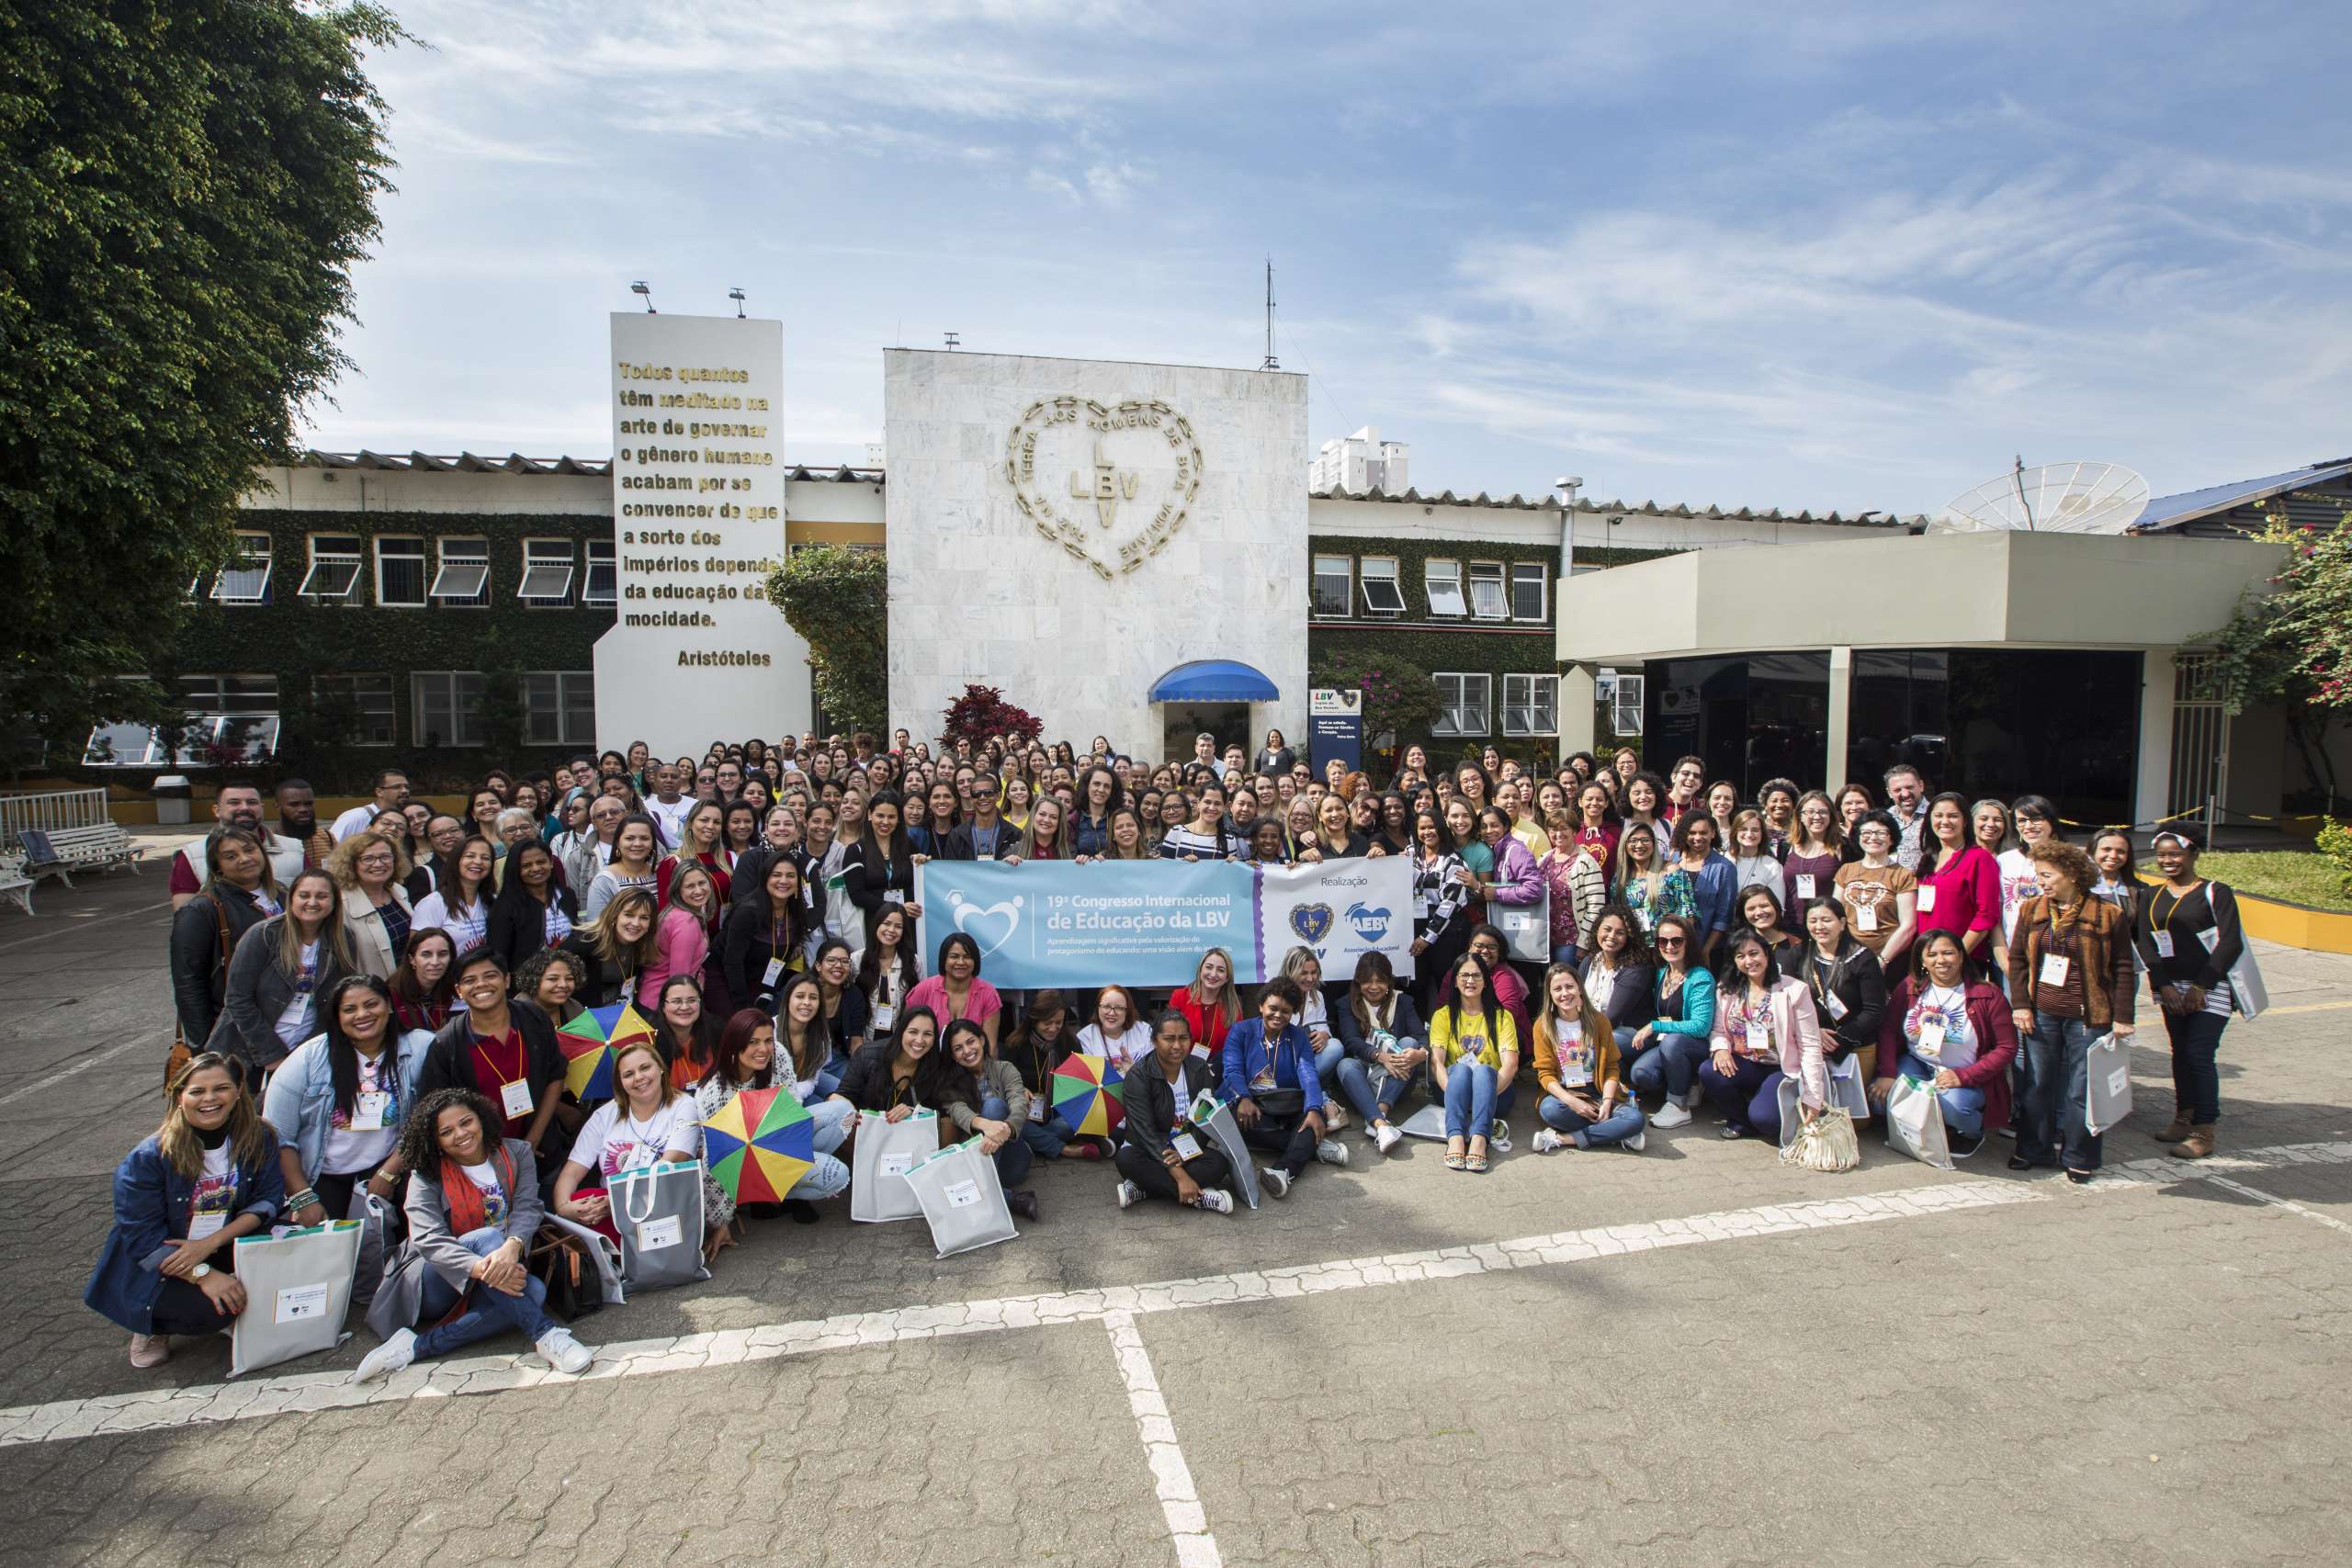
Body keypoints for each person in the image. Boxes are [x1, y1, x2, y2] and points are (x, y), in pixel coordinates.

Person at [349, 1087, 592, 1382]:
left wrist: (513, 1246)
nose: (461, 1134)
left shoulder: (517, 1153)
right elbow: (430, 1240)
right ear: (435, 1140)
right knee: (489, 1240)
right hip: (437, 1278)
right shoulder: (425, 1176)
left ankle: (416, 1347)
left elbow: (528, 1207)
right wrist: (482, 1267)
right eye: (446, 1131)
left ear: (481, 1118)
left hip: (500, 1265)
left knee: (536, 1292)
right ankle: (547, 1335)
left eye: (466, 1122)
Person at [86, 1052, 284, 1368]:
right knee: (210, 1311)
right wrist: (203, 1275)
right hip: (166, 1257)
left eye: (221, 1088)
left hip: (218, 1241)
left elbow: (268, 1200)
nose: (210, 1098)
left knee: (294, 1249)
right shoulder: (148, 1158)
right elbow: (142, 1240)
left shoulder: (258, 1136)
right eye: (197, 1091)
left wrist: (210, 1244)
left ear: (237, 1092)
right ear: (180, 1097)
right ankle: (152, 1325)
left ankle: (234, 1292)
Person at [2007, 840, 2135, 1180]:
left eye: (2047, 875)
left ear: (2073, 875)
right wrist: (2021, 1005)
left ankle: (2080, 1156)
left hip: (2089, 1016)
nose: (2041, 882)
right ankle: (2032, 1149)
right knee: (2037, 1084)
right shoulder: (2031, 910)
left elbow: (2124, 967)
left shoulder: (2108, 914)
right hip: (2042, 1012)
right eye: (2038, 875)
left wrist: (2123, 1017)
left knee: (2082, 1089)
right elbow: (2017, 960)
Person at [262, 975, 429, 1223]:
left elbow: (429, 1118)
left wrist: (389, 1172)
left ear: (389, 1005)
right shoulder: (307, 1060)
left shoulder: (420, 1048)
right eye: (349, 1009)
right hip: (322, 1173)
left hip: (393, 1164)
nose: (362, 1014)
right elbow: (277, 1136)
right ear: (337, 1017)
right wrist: (302, 1196)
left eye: (371, 1004)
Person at [693, 1010, 851, 1250]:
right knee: (835, 1174)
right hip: (743, 1161)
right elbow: (714, 1159)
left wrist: (790, 1148)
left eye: (767, 1040)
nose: (764, 1049)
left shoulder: (777, 1054)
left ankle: (788, 1190)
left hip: (779, 1139)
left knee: (842, 1112)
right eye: (753, 1042)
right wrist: (720, 1221)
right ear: (735, 1044)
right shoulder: (715, 1093)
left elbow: (793, 1106)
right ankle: (767, 1196)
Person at [2131, 829, 2244, 1161]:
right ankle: (2183, 1117)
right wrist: (2163, 984)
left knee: (2198, 1054)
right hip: (2170, 987)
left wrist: (2201, 986)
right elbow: (2145, 942)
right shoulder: (2151, 895)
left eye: (2176, 854)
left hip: (2210, 987)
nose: (2168, 861)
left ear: (2193, 854)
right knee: (2179, 1053)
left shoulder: (2215, 892)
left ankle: (2204, 1130)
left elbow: (2230, 942)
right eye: (2162, 855)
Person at [415, 948, 570, 1169]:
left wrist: (532, 1140)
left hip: (541, 1149)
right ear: (459, 990)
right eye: (470, 980)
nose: (481, 985)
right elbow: (435, 1111)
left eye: (490, 976)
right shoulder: (446, 1044)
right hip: (481, 1162)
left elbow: (555, 1075)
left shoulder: (534, 1018)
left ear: (506, 980)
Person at [1871, 929, 2017, 1153]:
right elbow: (1889, 1031)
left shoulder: (1987, 994)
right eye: (1932, 955)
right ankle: (1929, 1125)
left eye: (1948, 953)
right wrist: (1888, 1073)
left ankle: (1971, 1133)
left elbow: (2006, 1048)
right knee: (1879, 1099)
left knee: (1955, 1109)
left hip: (1964, 1073)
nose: (1940, 960)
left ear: (1960, 956)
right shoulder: (1911, 987)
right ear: (1922, 960)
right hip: (1918, 1063)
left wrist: (1964, 1076)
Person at [206, 867, 356, 1077]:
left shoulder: (343, 939)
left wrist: (309, 1051)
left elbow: (336, 1002)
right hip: (248, 1053)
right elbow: (237, 999)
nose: (312, 902)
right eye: (304, 895)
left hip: (305, 1050)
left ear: (334, 903)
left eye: (322, 896)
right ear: (291, 898)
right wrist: (271, 1054)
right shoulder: (263, 935)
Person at [551, 1041, 701, 1239]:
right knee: (580, 1200)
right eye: (628, 1074)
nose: (639, 1078)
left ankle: (619, 1259)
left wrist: (617, 1203)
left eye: (645, 1067)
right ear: (620, 1082)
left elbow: (669, 1164)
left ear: (661, 1069)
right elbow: (571, 1172)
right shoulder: (603, 1116)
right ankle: (613, 1259)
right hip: (610, 1209)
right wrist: (564, 1208)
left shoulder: (684, 1105)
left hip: (664, 1203)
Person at [1218, 976, 1345, 1196]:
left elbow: (1308, 1074)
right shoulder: (1241, 1031)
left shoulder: (1298, 1037)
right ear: (1261, 1006)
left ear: (1293, 1013)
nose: (1278, 1015)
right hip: (1252, 1103)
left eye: (1285, 1011)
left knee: (1313, 1118)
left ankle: (1281, 1171)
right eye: (1273, 1008)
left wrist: (1314, 1109)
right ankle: (1312, 1147)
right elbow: (1232, 1070)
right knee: (1241, 1122)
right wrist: (1243, 1098)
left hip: (1285, 1102)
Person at [1698, 929, 1828, 1142]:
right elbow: (1719, 1030)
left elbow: (1811, 1045)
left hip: (1780, 1067)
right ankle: (1742, 1120)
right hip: (1746, 1062)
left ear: (1767, 953)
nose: (1748, 961)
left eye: (1754, 953)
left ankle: (1761, 1116)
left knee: (1767, 1120)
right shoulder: (1727, 989)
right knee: (1708, 1070)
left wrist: (1813, 1097)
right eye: (1740, 956)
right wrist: (1720, 1048)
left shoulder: (1795, 990)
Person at [170, 828, 282, 1052]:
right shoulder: (200, 910)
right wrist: (204, 1045)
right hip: (235, 1031)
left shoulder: (285, 896)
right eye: (230, 856)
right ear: (217, 865)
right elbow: (188, 983)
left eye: (250, 850)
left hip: (285, 1023)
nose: (244, 859)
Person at [1113, 1010, 1235, 1213]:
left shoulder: (1199, 1068)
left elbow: (1204, 1118)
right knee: (1126, 1158)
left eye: (1183, 1038)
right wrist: (1180, 1176)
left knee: (1219, 1163)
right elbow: (1144, 1132)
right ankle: (1201, 1199)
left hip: (1184, 1146)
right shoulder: (1138, 1075)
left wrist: (1184, 1154)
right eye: (1169, 1039)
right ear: (1154, 1040)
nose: (1177, 1046)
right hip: (1148, 1149)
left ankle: (1143, 1189)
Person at [1528, 963, 1645, 1153]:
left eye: (1569, 986)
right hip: (1565, 1095)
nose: (1565, 994)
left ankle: (1562, 1139)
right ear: (1550, 994)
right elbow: (1545, 1075)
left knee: (1635, 1119)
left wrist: (1607, 1101)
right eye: (1557, 989)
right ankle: (1616, 1133)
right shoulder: (1543, 1026)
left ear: (1580, 988)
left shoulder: (1599, 1021)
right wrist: (1573, 1102)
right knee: (1550, 1110)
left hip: (1598, 1092)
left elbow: (1611, 1067)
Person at [936, 1018, 1042, 1221]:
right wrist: (988, 1126)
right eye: (958, 1048)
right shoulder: (949, 1082)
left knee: (994, 1105)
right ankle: (1013, 1199)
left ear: (982, 1040)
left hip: (1012, 1160)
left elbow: (1018, 1102)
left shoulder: (1004, 1069)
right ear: (953, 1055)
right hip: (975, 1160)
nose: (967, 1051)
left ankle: (978, 1193)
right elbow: (957, 1110)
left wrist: (1006, 1130)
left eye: (970, 1042)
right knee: (986, 1117)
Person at [1330, 951, 1428, 1156]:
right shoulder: (1346, 1003)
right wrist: (1380, 1056)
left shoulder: (1403, 1001)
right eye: (1367, 981)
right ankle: (1381, 1125)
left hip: (1396, 1081)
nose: (1374, 987)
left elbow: (1420, 1035)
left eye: (1380, 981)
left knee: (1409, 1043)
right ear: (1358, 981)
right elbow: (1351, 1041)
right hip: (1365, 1075)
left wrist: (1421, 1054)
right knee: (1345, 1065)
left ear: (1389, 981)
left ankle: (1378, 1114)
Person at [1430, 952, 1519, 1172]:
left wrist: (1482, 1096)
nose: (1470, 981)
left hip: (1495, 1093)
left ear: (1486, 981)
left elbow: (1510, 1065)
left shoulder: (1501, 1016)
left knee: (1484, 1071)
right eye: (1465, 975)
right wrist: (1458, 1095)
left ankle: (1479, 1139)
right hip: (1452, 1090)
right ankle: (1456, 1138)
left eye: (1477, 975)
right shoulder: (1443, 1015)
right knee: (1459, 1070)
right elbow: (1437, 1064)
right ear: (1456, 981)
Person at [1626, 913, 1715, 1128]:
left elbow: (1700, 1027)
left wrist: (1655, 1026)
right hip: (1665, 1042)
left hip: (1692, 1045)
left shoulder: (1700, 977)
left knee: (1673, 1042)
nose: (1669, 946)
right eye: (1662, 941)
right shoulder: (1662, 973)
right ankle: (1685, 1082)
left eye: (1677, 941)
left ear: (1689, 943)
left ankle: (1679, 1104)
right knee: (1639, 1071)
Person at [1792, 897, 1887, 1089]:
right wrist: (1814, 1033)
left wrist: (1838, 1039)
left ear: (1842, 923)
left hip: (1856, 1045)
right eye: (1813, 921)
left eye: (1826, 920)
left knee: (1852, 1111)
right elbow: (1788, 1002)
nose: (1819, 926)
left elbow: (1874, 1010)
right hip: (1810, 1043)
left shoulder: (1863, 958)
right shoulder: (1798, 954)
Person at [169, 784, 303, 906]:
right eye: (234, 802)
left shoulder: (295, 848)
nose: (244, 808)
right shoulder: (191, 856)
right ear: (217, 810)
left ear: (262, 808)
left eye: (252, 802)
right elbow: (184, 914)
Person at [1914, 792, 2000, 971]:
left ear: (1965, 821)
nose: (1945, 821)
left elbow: (1986, 914)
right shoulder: (1928, 858)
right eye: (1938, 816)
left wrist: (1957, 956)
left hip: (1963, 960)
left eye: (1953, 816)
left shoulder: (1979, 858)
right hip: (1928, 957)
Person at [722, 855, 816, 1010]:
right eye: (776, 875)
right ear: (765, 878)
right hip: (725, 975)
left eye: (790, 875)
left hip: (758, 980)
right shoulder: (748, 911)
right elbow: (733, 962)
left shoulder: (795, 911)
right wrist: (743, 1006)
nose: (784, 881)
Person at [1835, 809, 1919, 968]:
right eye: (1866, 832)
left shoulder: (1903, 875)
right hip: (1848, 957)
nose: (1873, 837)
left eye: (1881, 833)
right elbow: (1834, 914)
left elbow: (1908, 926)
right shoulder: (1846, 870)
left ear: (1892, 838)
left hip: (1890, 958)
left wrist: (1882, 961)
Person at [831, 1006, 953, 1117]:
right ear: (901, 1032)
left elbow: (940, 1109)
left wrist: (914, 1111)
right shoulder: (867, 1054)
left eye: (927, 1034)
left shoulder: (936, 1064)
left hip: (910, 1133)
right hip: (866, 1128)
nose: (920, 1040)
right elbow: (842, 1096)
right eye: (913, 1032)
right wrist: (852, 1114)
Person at [326, 832, 413, 981]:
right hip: (371, 991)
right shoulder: (340, 903)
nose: (378, 864)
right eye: (368, 859)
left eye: (385, 856)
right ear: (351, 864)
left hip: (406, 987)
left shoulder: (399, 891)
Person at [559, 886, 659, 1010]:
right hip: (583, 1017)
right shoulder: (583, 943)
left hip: (620, 1013)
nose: (636, 923)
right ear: (615, 915)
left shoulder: (641, 944)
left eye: (644, 917)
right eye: (629, 915)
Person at [640, 861, 722, 1011]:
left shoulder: (686, 912)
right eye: (690, 886)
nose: (698, 891)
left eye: (702, 883)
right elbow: (678, 979)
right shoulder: (686, 923)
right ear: (678, 890)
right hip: (663, 1006)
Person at [485, 841, 577, 976]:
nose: (535, 868)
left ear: (551, 862)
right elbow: (499, 955)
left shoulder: (567, 895)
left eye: (541, 862)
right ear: (516, 869)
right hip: (527, 983)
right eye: (526, 865)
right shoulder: (504, 907)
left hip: (568, 976)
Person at [905, 931, 1004, 1051]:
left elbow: (990, 1047)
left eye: (967, 957)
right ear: (944, 959)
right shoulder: (924, 989)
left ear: (975, 961)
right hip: (928, 1064)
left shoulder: (988, 993)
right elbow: (905, 1034)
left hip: (970, 1064)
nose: (961, 962)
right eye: (954, 956)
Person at [1578, 906, 1655, 1053]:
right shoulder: (1589, 961)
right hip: (1595, 1026)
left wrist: (1580, 1036)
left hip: (1631, 1032)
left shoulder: (1635, 969)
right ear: (1597, 930)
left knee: (1593, 1044)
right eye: (1607, 929)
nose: (1612, 936)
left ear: (1628, 938)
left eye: (1620, 933)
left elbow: (1611, 1019)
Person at [1538, 807, 1608, 967]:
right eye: (1553, 829)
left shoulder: (1586, 862)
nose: (1558, 833)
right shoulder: (1544, 859)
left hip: (1570, 941)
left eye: (1564, 828)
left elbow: (1595, 906)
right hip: (1545, 939)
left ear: (1575, 831)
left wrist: (1584, 943)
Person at [411, 833, 494, 954]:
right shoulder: (433, 903)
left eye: (485, 858)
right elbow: (418, 952)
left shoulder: (491, 900)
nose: (478, 861)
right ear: (456, 861)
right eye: (470, 856)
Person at [855, 905, 920, 1051]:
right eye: (886, 923)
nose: (891, 930)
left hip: (900, 1042)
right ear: (877, 924)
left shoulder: (913, 962)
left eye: (898, 926)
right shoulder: (857, 959)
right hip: (867, 1042)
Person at [1170, 946, 1243, 1071]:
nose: (1213, 974)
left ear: (1227, 978)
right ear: (1200, 970)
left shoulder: (1233, 1009)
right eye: (1209, 967)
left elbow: (1235, 1048)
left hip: (1216, 1072)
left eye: (1220, 970)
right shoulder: (1180, 997)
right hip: (1179, 1067)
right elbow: (1169, 1037)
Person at [650, 974, 724, 1091]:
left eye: (691, 1000)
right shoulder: (652, 1039)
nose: (684, 1007)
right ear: (663, 1006)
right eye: (676, 1001)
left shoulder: (716, 1030)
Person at [583, 814, 662, 919]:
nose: (637, 843)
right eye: (629, 838)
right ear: (617, 843)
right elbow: (596, 926)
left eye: (644, 838)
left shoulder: (661, 874)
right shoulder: (605, 880)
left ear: (652, 843)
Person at [1782, 791, 1845, 919]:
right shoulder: (1786, 846)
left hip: (1825, 925)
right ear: (1800, 816)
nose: (1817, 817)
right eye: (1810, 812)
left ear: (1831, 816)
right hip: (1791, 925)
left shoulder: (1844, 847)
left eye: (1823, 812)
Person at [390, 927, 460, 1032]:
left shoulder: (447, 988)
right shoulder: (391, 996)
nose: (435, 962)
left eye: (442, 954)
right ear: (412, 960)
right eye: (426, 954)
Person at [1077, 983, 1151, 1074]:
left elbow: (1154, 1071)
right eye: (1106, 1007)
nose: (1112, 1013)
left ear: (1127, 1010)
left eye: (1119, 1008)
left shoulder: (1143, 1030)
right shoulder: (1085, 1037)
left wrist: (1133, 1073)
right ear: (1098, 1008)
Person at [1612, 821, 1668, 940]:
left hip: (1665, 946)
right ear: (1625, 845)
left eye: (1645, 840)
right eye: (1633, 841)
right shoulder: (1619, 879)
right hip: (1632, 946)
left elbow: (1686, 913)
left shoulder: (1671, 873)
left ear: (1654, 843)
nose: (1639, 845)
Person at [1735, 882, 1804, 970]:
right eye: (1751, 909)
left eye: (1764, 906)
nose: (1759, 912)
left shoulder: (1796, 945)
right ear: (1743, 913)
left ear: (1775, 907)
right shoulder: (1738, 946)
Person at [331, 767, 410, 842]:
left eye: (407, 787)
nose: (404, 791)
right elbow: (330, 850)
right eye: (397, 787)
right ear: (379, 792)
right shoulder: (355, 817)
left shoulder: (409, 817)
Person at [1727, 809, 1782, 904]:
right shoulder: (1724, 860)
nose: (1749, 834)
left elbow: (1778, 906)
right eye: (1743, 829)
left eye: (1755, 830)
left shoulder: (1772, 866)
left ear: (1762, 834)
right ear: (1735, 832)